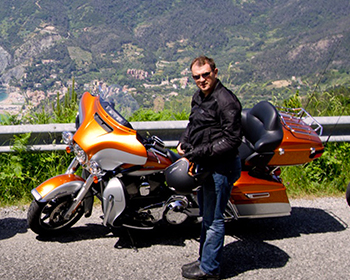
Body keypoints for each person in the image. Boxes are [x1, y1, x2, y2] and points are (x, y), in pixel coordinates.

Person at [177, 56, 242, 279]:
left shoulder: (227, 101)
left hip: (221, 168)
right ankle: (205, 259)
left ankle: (210, 269)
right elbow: (193, 124)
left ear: (215, 72)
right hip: (206, 167)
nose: (202, 80)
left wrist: (196, 152)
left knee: (214, 219)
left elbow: (232, 141)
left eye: (206, 74)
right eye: (197, 76)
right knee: (206, 215)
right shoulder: (199, 97)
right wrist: (183, 141)